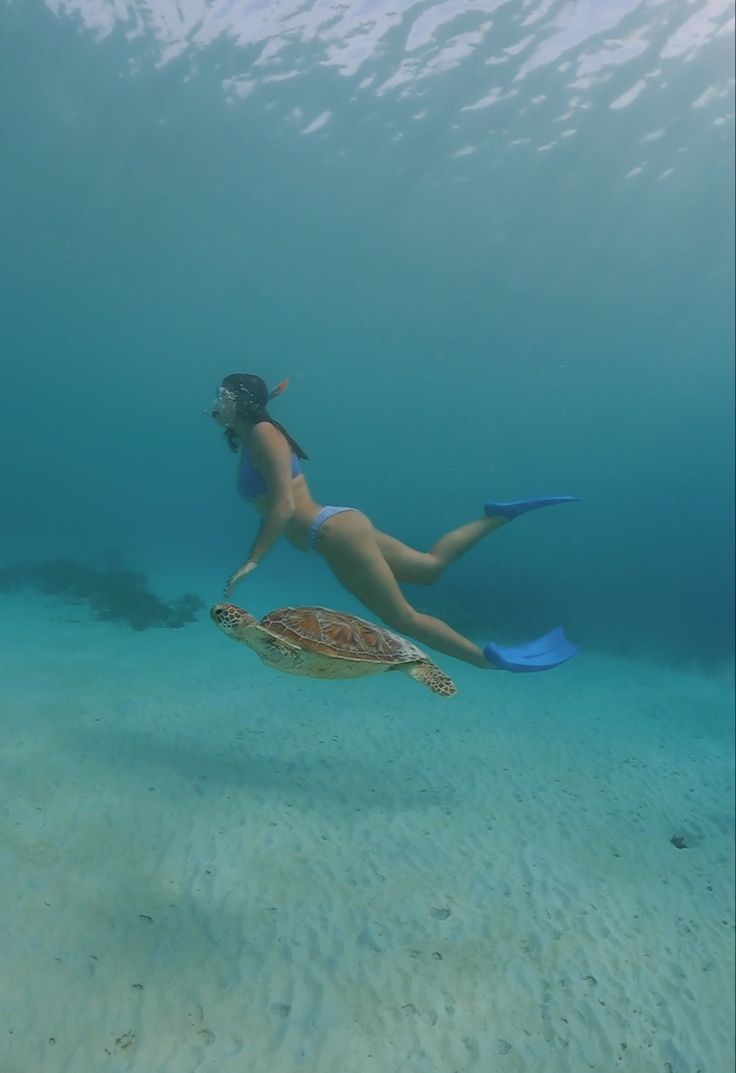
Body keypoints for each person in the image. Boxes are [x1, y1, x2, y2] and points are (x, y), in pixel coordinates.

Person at [210, 373, 578, 672]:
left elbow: (284, 505)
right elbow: (273, 507)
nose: (216, 402)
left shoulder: (263, 433)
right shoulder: (252, 437)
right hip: (336, 528)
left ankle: (485, 661)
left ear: (241, 401)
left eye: (223, 395)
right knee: (428, 568)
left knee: (403, 618)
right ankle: (497, 517)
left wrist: (255, 559)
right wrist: (253, 553)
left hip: (331, 534)